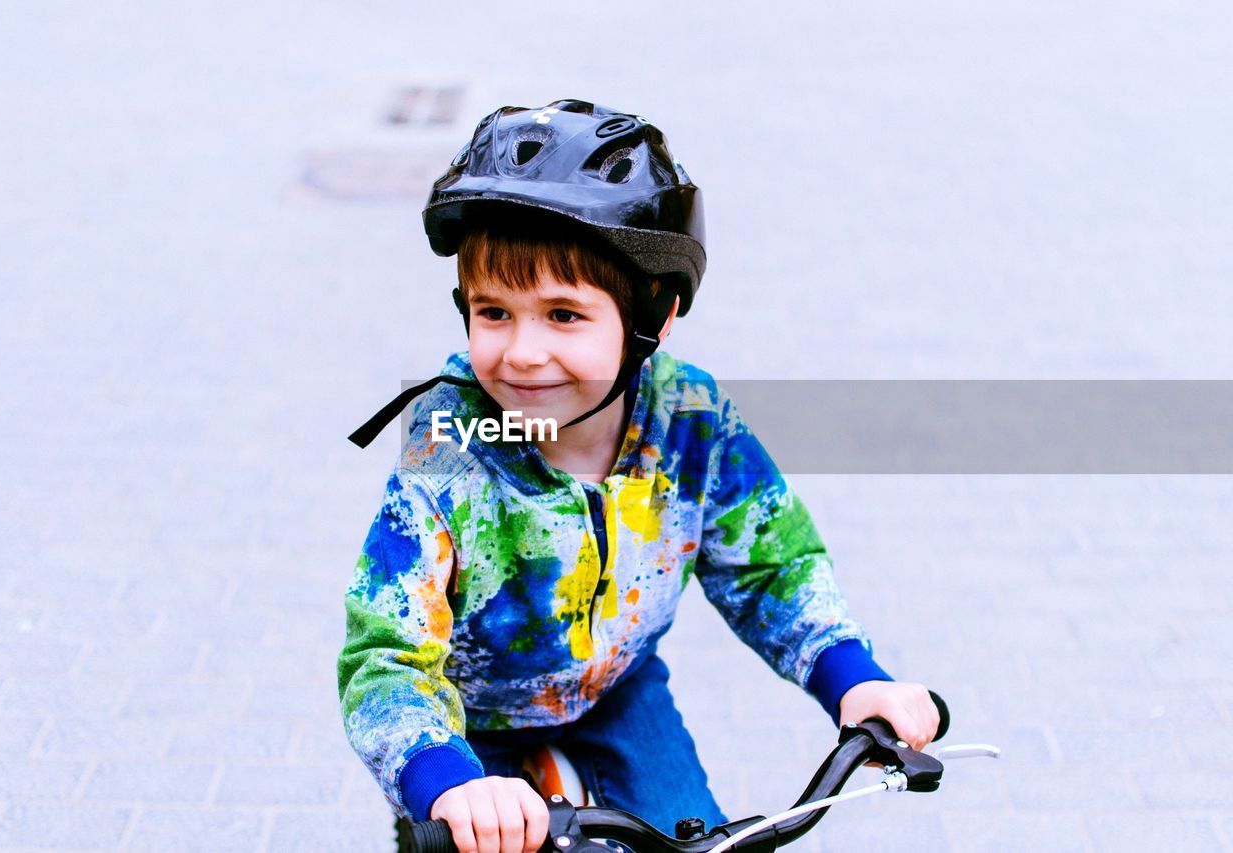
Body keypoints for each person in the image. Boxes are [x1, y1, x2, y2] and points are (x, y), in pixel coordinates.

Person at [337, 99, 940, 853]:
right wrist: (441, 778)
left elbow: (772, 566)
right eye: (494, 311)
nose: (521, 352)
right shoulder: (451, 449)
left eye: (562, 314)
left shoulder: (691, 421)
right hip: (468, 726)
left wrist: (853, 678)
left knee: (700, 840)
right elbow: (385, 653)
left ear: (654, 312)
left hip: (616, 697)